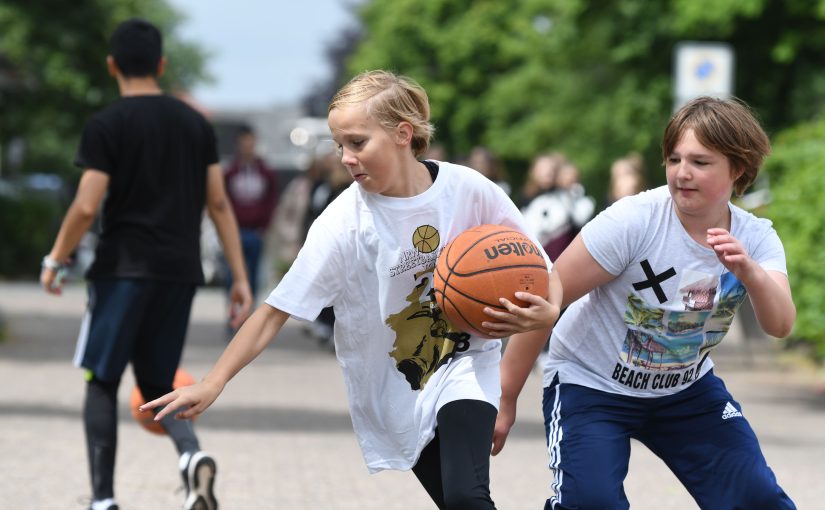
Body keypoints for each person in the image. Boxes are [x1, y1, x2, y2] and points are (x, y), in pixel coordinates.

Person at [141, 70, 562, 509]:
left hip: (466, 366)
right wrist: (213, 381)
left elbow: (543, 270)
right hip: (399, 386)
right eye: (339, 145)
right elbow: (274, 312)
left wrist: (546, 315)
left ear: (403, 134)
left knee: (466, 498)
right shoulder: (344, 222)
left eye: (358, 143)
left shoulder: (469, 190)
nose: (344, 157)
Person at [495, 96, 797, 509]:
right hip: (592, 383)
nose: (683, 174)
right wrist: (505, 398)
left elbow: (780, 325)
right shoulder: (633, 222)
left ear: (738, 168)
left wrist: (751, 274)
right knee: (592, 503)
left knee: (757, 499)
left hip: (685, 390)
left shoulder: (756, 237)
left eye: (701, 162)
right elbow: (546, 299)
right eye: (674, 159)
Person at [39, 18, 253, 510]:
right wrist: (239, 277)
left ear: (111, 65)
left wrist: (56, 257)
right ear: (161, 64)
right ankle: (189, 458)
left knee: (102, 380)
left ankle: (104, 500)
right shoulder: (195, 124)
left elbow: (87, 204)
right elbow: (219, 205)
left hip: (122, 271)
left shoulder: (107, 124)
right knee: (158, 383)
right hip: (179, 274)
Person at [222, 124, 279, 317]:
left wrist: (264, 226)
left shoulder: (265, 172)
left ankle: (248, 314)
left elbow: (271, 200)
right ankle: (233, 313)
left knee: (253, 276)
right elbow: (223, 201)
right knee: (232, 275)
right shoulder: (231, 171)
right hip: (235, 231)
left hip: (256, 232)